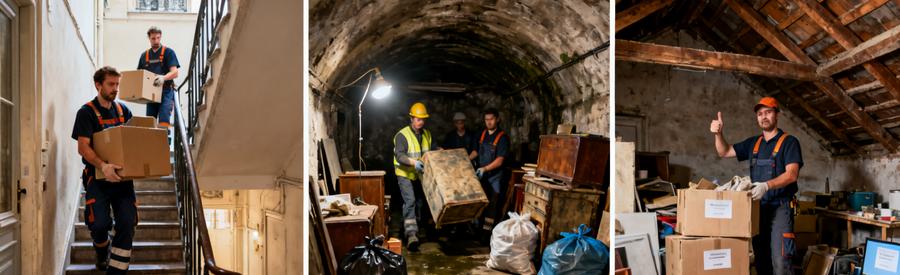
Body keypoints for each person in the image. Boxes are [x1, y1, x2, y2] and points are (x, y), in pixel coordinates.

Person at [710, 97, 802, 275]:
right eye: (760, 114)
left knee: (781, 261)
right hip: (758, 209)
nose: (763, 117)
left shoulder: (789, 142)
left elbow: (792, 174)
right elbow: (724, 151)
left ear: (776, 115)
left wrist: (766, 186)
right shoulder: (754, 143)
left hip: (781, 209)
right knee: (761, 260)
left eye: (768, 112)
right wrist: (718, 134)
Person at [71, 66, 138, 274]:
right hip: (97, 179)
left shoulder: (123, 111)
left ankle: (116, 271)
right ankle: (101, 252)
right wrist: (103, 166)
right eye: (111, 84)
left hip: (122, 180)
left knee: (127, 223)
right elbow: (83, 147)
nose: (115, 88)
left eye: (117, 84)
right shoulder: (86, 113)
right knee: (99, 225)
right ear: (98, 85)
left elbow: (131, 143)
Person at [393, 102, 437, 251]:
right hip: (404, 173)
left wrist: (442, 151)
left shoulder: (427, 134)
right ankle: (411, 234)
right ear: (411, 118)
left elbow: (431, 149)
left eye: (423, 119)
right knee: (410, 201)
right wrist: (413, 163)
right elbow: (399, 155)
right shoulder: (402, 135)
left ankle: (414, 227)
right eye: (418, 119)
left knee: (420, 202)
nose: (420, 122)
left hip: (418, 175)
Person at [471, 108, 510, 235]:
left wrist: (485, 168)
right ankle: (477, 228)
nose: (489, 122)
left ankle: (487, 233)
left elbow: (500, 160)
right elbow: (476, 152)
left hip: (495, 177)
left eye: (491, 119)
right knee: (481, 202)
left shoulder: (502, 137)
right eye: (486, 120)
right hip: (482, 175)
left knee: (492, 204)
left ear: (497, 119)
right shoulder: (481, 134)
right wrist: (464, 159)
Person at [138, 26, 180, 130]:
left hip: (166, 91)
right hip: (151, 93)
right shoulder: (144, 56)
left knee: (164, 119)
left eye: (158, 38)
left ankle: (164, 142)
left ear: (160, 37)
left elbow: (175, 72)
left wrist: (163, 78)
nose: (156, 40)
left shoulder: (168, 52)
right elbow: (140, 75)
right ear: (149, 38)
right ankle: (152, 144)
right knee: (150, 121)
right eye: (153, 38)